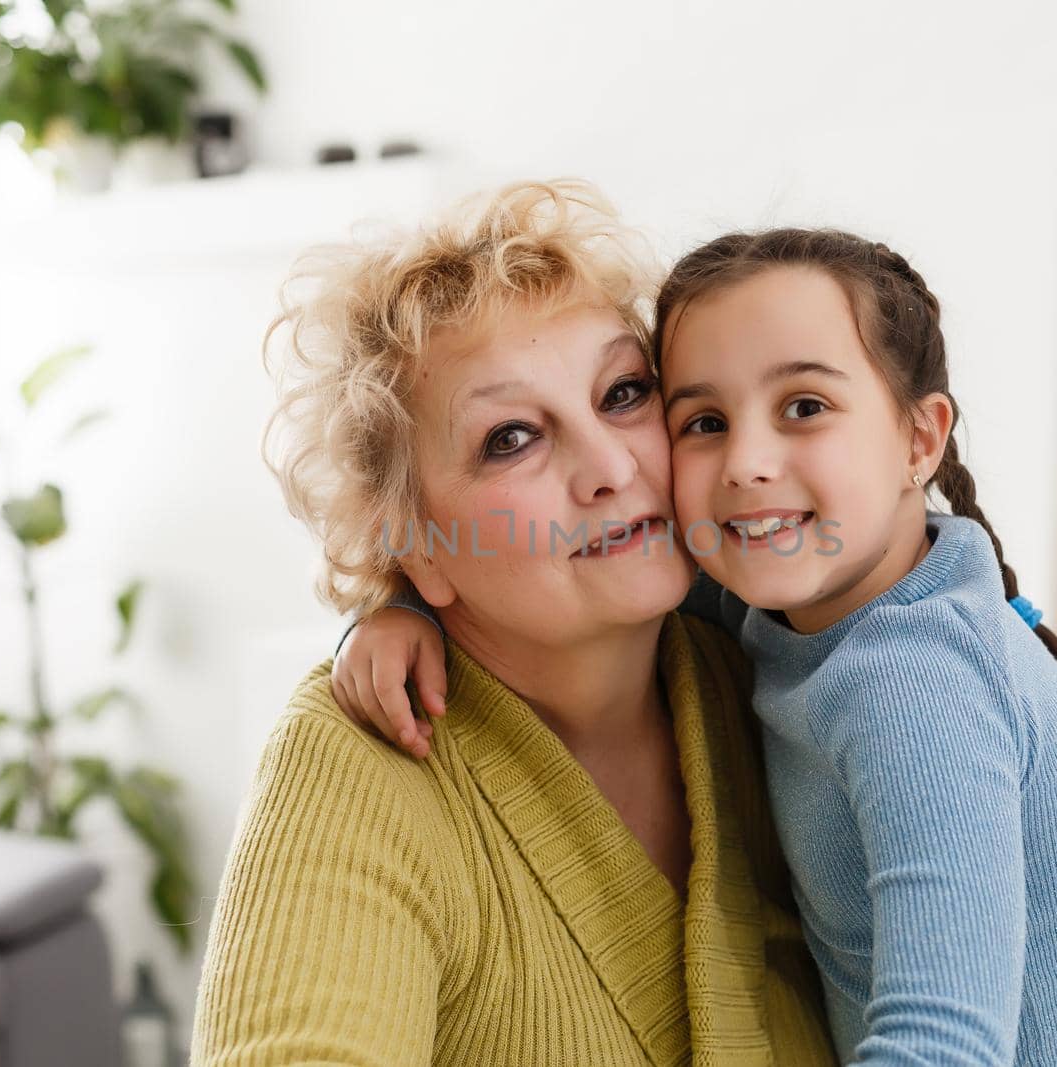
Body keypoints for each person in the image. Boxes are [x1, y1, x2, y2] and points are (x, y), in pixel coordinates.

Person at [335, 226, 1057, 1065]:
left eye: (804, 406)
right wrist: (405, 599)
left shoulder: (911, 686)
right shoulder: (797, 601)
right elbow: (599, 573)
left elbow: (944, 1044)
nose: (748, 461)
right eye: (704, 421)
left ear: (919, 438)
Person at [191, 180, 838, 1066]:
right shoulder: (356, 763)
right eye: (511, 438)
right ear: (415, 545)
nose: (612, 465)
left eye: (623, 392)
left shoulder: (772, 670)